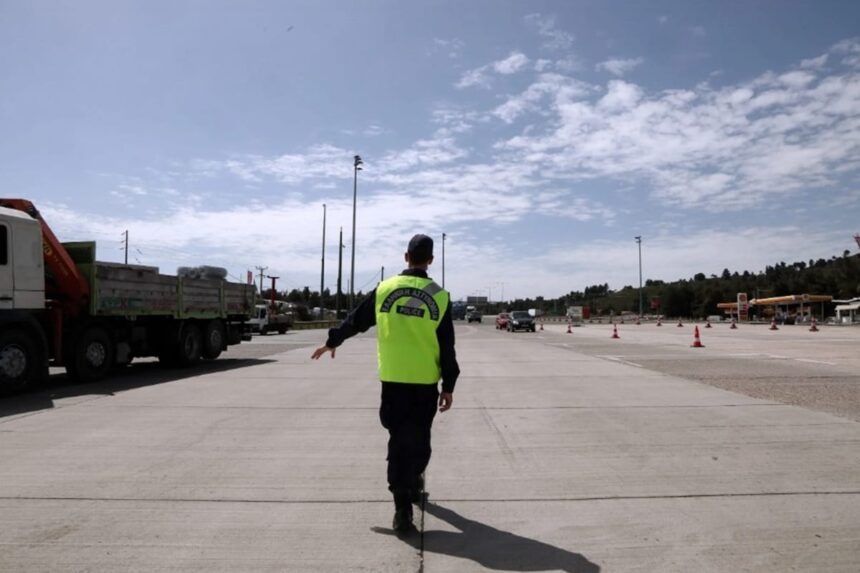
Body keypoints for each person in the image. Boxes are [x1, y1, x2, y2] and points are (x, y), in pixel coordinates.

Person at [311, 234, 460, 534]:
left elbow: (356, 320)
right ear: (430, 260)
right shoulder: (440, 296)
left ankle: (401, 510)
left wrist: (333, 341)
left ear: (406, 257)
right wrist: (449, 385)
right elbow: (447, 346)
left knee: (398, 441)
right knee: (419, 440)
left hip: (393, 381)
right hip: (423, 383)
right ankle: (413, 481)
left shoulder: (385, 289)